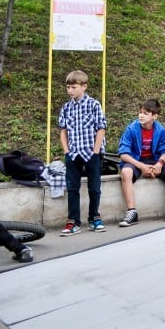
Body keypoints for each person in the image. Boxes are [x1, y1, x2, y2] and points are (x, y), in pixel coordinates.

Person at [117, 99, 165, 226]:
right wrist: (141, 166)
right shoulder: (131, 129)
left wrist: (160, 163)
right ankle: (132, 212)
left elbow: (164, 151)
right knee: (126, 172)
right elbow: (123, 154)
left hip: (154, 160)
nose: (141, 115)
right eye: (140, 112)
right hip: (136, 160)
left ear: (155, 116)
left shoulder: (160, 130)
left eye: (146, 113)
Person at [57, 69, 107, 236]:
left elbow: (101, 128)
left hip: (91, 152)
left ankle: (94, 218)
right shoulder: (66, 108)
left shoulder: (94, 104)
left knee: (94, 188)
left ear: (84, 87)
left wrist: (96, 151)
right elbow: (63, 130)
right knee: (72, 188)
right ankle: (73, 221)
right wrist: (66, 151)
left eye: (73, 87)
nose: (70, 90)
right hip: (73, 153)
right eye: (68, 87)